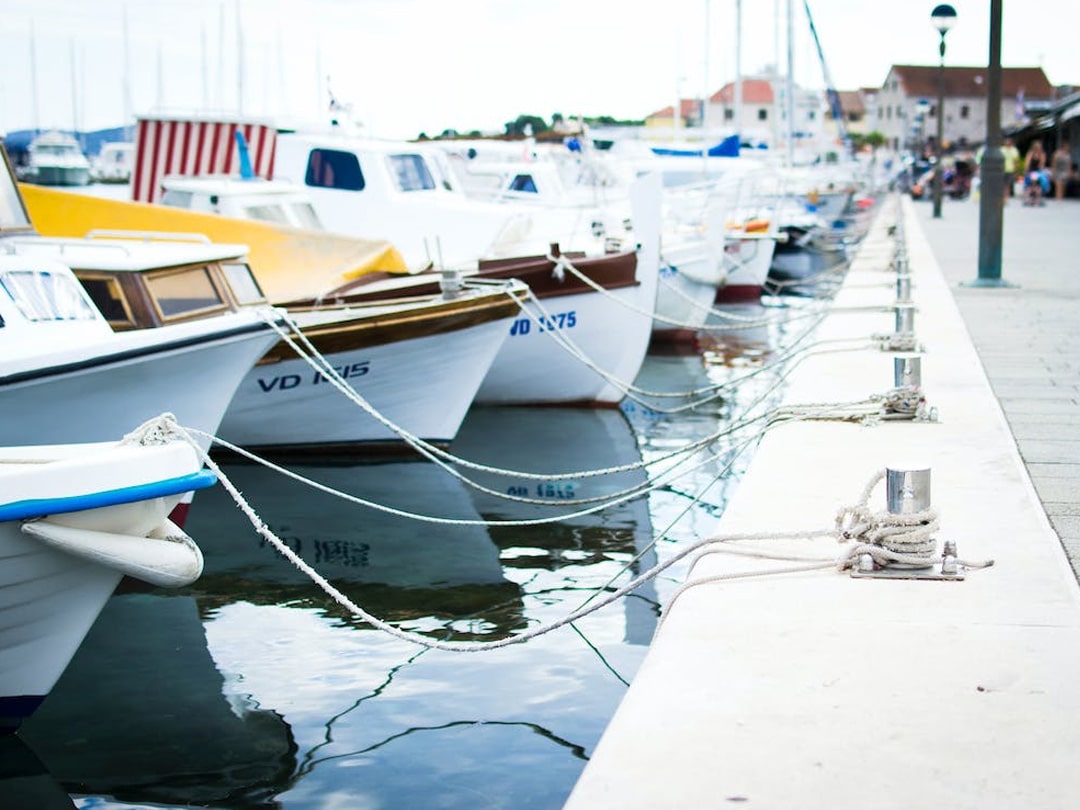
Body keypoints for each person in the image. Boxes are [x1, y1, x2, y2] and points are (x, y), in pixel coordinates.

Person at [1023, 140, 1047, 206]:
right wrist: (1026, 171)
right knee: (1029, 185)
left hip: (1038, 172)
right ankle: (1028, 199)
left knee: (1038, 186)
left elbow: (1041, 165)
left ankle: (1036, 200)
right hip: (1031, 171)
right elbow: (1027, 164)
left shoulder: (1042, 154)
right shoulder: (1030, 154)